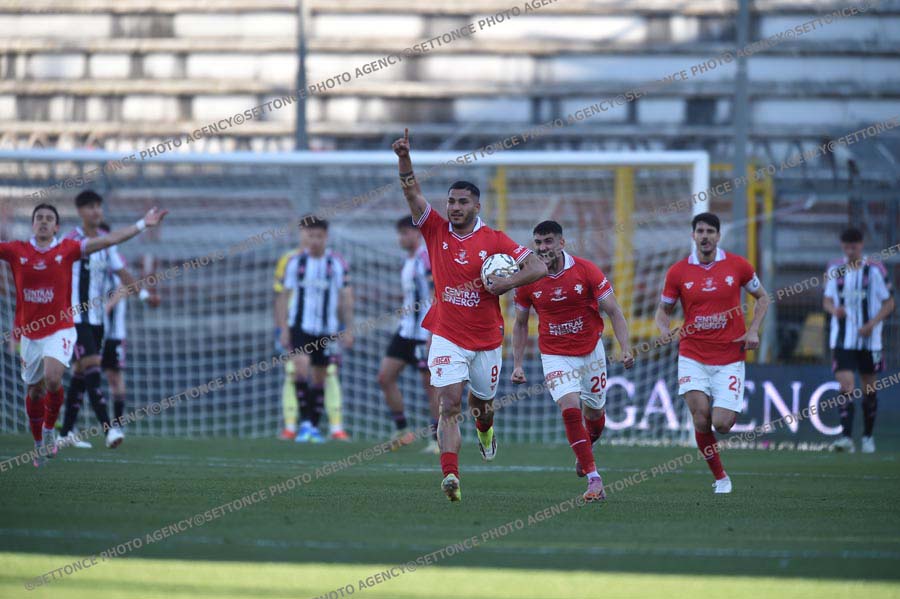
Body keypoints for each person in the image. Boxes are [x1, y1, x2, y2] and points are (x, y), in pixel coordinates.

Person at [392, 128, 547, 501]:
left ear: (477, 206)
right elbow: (411, 193)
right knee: (449, 403)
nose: (455, 207)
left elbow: (538, 266)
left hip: (486, 339)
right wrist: (404, 159)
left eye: (462, 202)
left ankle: (486, 431)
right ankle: (451, 475)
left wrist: (507, 282)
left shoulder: (495, 240)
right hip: (446, 333)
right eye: (451, 201)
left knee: (482, 406)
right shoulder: (435, 229)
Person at [0, 203, 166, 467]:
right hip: (30, 332)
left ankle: (51, 429)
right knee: (35, 392)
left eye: (49, 218)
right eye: (39, 217)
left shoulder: (67, 249)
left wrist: (142, 224)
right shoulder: (16, 250)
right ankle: (39, 442)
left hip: (61, 328)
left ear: (56, 226)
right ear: (32, 224)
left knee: (53, 379)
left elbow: (109, 240)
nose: (43, 221)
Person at [511, 221, 634, 502]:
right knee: (569, 409)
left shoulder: (586, 270)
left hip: (591, 352)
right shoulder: (527, 278)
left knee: (595, 417)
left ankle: (585, 448)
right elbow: (520, 323)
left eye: (548, 241)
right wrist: (517, 364)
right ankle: (594, 479)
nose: (543, 248)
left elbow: (614, 311)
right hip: (554, 354)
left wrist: (626, 348)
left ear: (562, 243)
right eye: (538, 242)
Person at [654, 212, 769, 494]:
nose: (704, 236)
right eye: (700, 231)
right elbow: (663, 310)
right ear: (693, 236)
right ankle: (721, 478)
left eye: (710, 231)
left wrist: (754, 330)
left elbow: (763, 297)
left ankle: (729, 409)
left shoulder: (738, 266)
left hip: (729, 356)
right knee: (700, 416)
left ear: (718, 236)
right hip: (692, 354)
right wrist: (663, 329)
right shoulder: (678, 272)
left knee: (722, 423)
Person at [59, 191, 158, 450]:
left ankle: (65, 432)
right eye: (90, 207)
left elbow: (123, 273)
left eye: (98, 206)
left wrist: (144, 296)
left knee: (81, 374)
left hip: (97, 320)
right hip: (74, 318)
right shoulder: (70, 241)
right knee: (92, 367)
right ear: (80, 211)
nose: (96, 211)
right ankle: (109, 429)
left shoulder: (106, 243)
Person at [276, 216, 353, 443]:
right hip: (300, 327)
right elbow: (283, 296)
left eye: (319, 236)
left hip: (327, 330)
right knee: (300, 369)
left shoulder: (336, 262)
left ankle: (313, 426)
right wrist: (283, 328)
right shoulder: (295, 262)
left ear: (326, 237)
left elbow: (346, 296)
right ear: (304, 236)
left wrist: (348, 328)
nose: (315, 240)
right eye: (310, 236)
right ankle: (305, 424)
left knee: (320, 377)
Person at [824, 227, 894, 453]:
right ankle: (846, 437)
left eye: (853, 246)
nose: (850, 250)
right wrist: (834, 310)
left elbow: (889, 303)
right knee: (846, 385)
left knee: (869, 389)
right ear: (842, 246)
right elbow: (827, 300)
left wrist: (872, 324)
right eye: (846, 246)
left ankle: (868, 437)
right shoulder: (834, 269)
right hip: (842, 339)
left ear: (861, 245)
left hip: (870, 341)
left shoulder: (875, 269)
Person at [378, 216, 439, 454]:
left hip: (424, 332)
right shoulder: (409, 260)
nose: (401, 238)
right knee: (385, 377)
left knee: (430, 386)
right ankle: (403, 430)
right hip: (405, 331)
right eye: (400, 233)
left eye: (405, 233)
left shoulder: (425, 258)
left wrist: (433, 331)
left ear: (417, 233)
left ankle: (437, 439)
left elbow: (436, 293)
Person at [100, 222, 161, 442]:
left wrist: (107, 306)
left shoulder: (117, 261)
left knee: (114, 377)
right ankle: (70, 427)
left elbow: (125, 287)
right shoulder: (88, 260)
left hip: (114, 333)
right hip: (91, 328)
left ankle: (117, 425)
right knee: (85, 374)